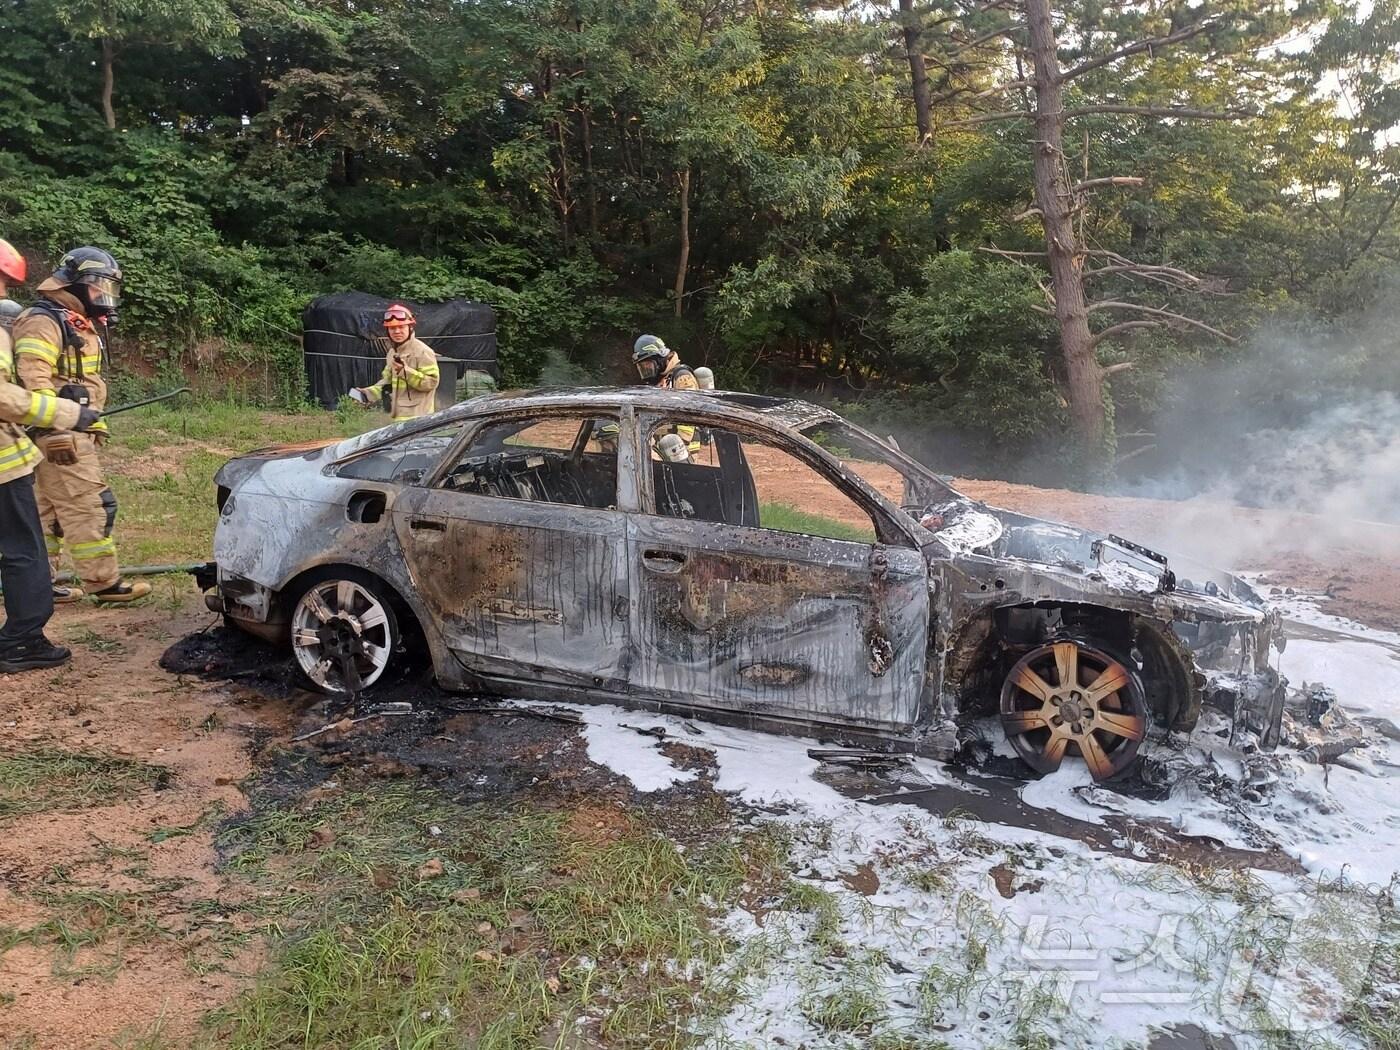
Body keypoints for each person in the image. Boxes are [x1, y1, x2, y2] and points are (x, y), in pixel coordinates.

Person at [12, 246, 149, 604]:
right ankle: (103, 583)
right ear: (72, 285)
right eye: (98, 287)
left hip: (66, 429)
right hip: (61, 434)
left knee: (47, 512)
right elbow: (34, 378)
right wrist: (54, 429)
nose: (104, 297)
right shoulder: (44, 320)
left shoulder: (71, 320)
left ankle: (40, 584)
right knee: (90, 503)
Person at [0, 238, 103, 671]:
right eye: (2, 284)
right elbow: (7, 395)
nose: (5, 295)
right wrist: (66, 414)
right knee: (24, 551)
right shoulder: (42, 324)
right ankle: (22, 640)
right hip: (5, 465)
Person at [354, 303, 440, 421]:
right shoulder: (392, 353)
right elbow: (388, 383)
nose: (397, 331)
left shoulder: (423, 351)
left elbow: (431, 383)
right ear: (388, 331)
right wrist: (367, 394)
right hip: (398, 420)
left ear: (410, 328)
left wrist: (405, 372)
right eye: (392, 328)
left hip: (419, 420)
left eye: (401, 327)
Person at [632, 334, 701, 453]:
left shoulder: (682, 377)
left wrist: (679, 447)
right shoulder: (660, 380)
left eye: (648, 364)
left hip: (680, 451)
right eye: (642, 367)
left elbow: (690, 415)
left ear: (659, 359)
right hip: (664, 447)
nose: (646, 369)